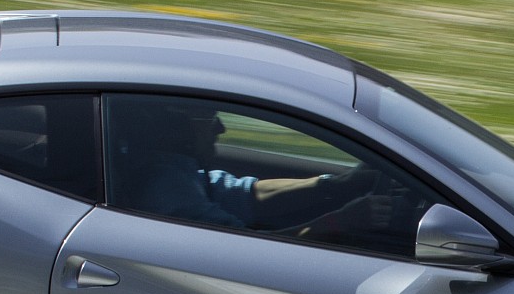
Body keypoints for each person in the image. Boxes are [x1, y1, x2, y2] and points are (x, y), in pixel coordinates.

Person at [113, 98, 384, 233]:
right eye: (208, 118)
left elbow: (247, 194)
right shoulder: (164, 188)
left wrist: (340, 185)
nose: (221, 128)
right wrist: (338, 223)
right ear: (173, 127)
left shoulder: (176, 168)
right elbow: (252, 250)